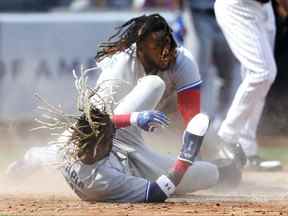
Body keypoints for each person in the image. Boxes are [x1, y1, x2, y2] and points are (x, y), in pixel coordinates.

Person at [214, 0, 287, 171]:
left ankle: (246, 149)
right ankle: (226, 137)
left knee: (260, 76)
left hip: (264, 7)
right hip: (238, 6)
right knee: (261, 73)